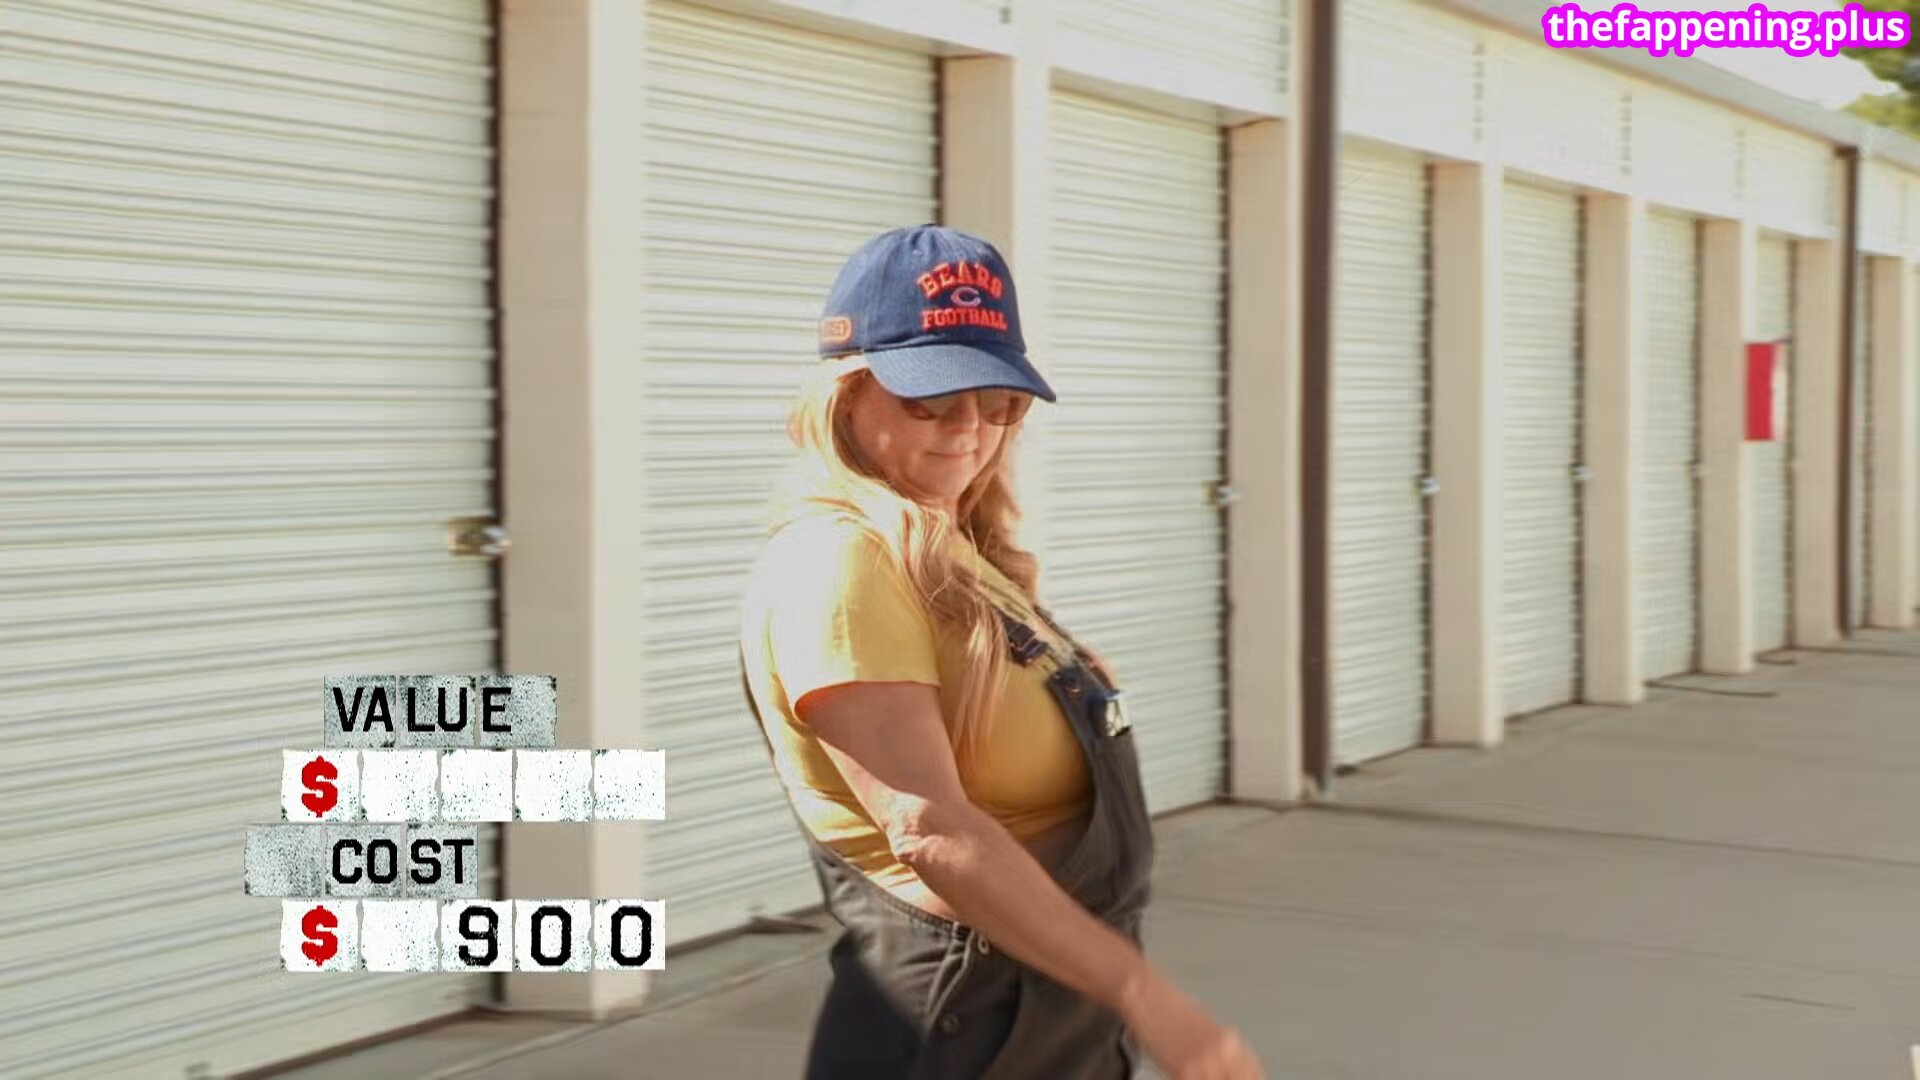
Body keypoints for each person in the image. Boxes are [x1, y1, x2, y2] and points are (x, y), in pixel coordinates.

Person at [737, 224, 1264, 1080]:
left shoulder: (950, 549)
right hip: (958, 1026)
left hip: (1040, 1012)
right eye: (930, 401)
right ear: (846, 394)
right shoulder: (840, 562)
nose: (969, 430)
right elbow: (929, 828)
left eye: (998, 402)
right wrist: (1144, 995)